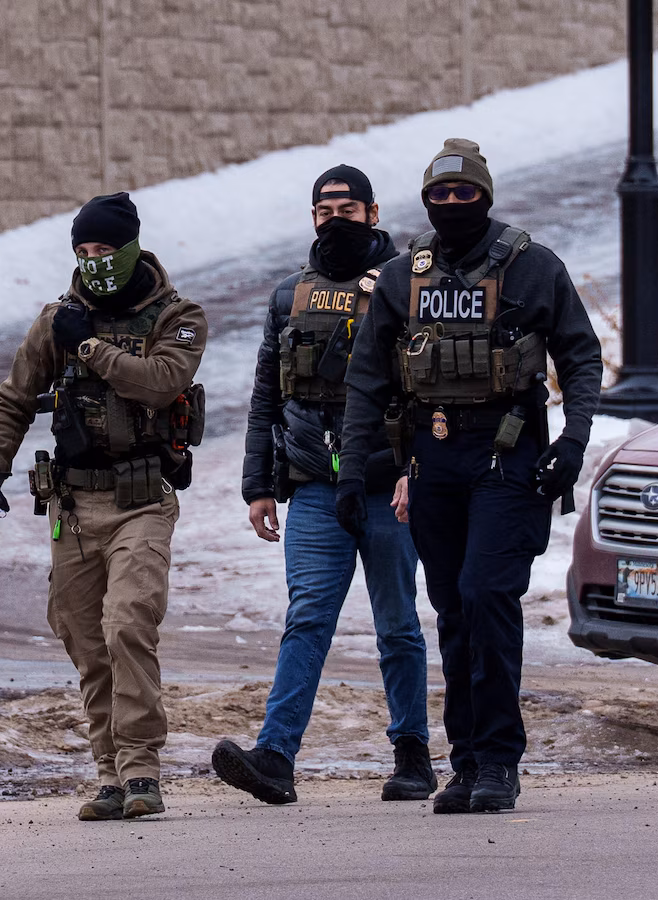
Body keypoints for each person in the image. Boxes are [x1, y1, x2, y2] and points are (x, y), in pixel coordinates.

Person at [338, 139, 603, 814]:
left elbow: (580, 356)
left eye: (465, 193)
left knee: (487, 596)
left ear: (486, 196)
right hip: (433, 459)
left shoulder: (533, 267)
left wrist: (573, 440)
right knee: (454, 611)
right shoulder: (403, 277)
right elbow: (367, 380)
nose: (452, 203)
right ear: (425, 200)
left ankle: (499, 761)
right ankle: (465, 763)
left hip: (507, 455)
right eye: (440, 194)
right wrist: (351, 472)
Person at [0, 192, 207, 820]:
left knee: (128, 623)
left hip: (142, 502)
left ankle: (141, 771)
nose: (94, 259)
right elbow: (14, 400)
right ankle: (109, 775)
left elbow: (161, 382)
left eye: (105, 248)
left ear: (130, 248)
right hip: (73, 507)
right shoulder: (58, 320)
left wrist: (91, 349)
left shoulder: (177, 315)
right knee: (84, 640)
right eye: (83, 249)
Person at [212, 166, 434, 805]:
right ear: (312, 217)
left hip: (387, 486)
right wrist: (258, 485)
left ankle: (413, 757)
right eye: (324, 210)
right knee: (307, 618)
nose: (335, 220)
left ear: (372, 213)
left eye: (347, 209)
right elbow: (266, 396)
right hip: (314, 486)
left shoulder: (407, 287)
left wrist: (416, 471)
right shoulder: (289, 296)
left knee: (397, 625)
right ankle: (275, 757)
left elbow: (430, 391)